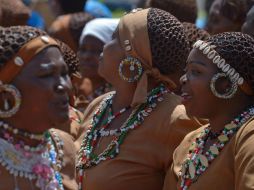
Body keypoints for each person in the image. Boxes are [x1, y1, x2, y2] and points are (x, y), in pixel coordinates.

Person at [75, 8, 205, 190]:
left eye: (114, 38)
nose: (105, 45)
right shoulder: (99, 105)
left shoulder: (175, 119)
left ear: (133, 58)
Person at [164, 32, 254, 189]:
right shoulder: (192, 141)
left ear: (225, 84)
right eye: (186, 71)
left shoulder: (249, 138)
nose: (183, 79)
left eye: (196, 72)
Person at [0, 25, 77, 190]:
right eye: (46, 75)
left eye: (64, 73)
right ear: (6, 94)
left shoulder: (62, 147)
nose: (63, 86)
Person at [77, 18, 119, 111]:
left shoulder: (119, 99)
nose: (86, 56)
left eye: (97, 50)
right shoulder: (79, 91)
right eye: (83, 49)